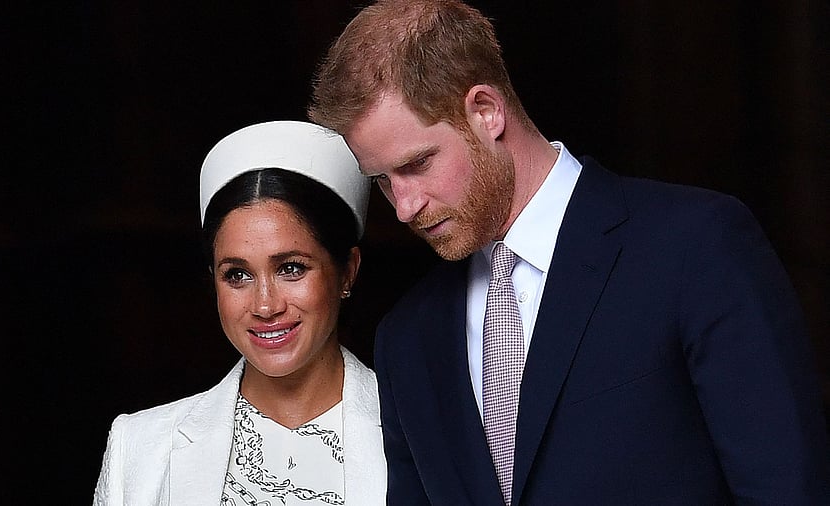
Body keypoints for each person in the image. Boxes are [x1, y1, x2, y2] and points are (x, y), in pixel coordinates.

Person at [308, 1, 830, 504]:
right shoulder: (407, 338)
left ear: (485, 111)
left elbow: (785, 489)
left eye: (417, 164)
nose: (402, 207)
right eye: (382, 181)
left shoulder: (695, 247)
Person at [93, 120, 386, 505]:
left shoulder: (419, 433)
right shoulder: (142, 448)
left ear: (347, 269)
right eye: (238, 274)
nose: (265, 305)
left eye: (291, 268)